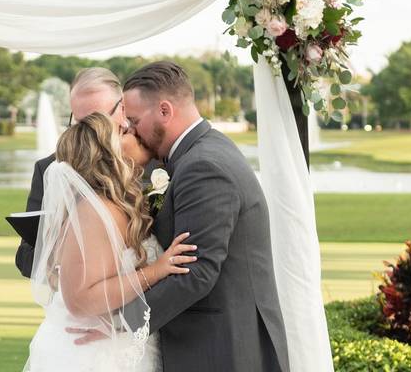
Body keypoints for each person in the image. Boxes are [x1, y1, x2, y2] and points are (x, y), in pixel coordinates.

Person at [115, 61, 290, 372]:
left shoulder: (203, 166)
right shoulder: (198, 153)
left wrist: (119, 323)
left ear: (165, 111)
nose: (131, 130)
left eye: (133, 120)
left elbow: (196, 274)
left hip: (221, 350)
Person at [24, 112, 195, 371]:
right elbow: (80, 299)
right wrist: (156, 270)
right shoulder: (93, 213)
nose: (133, 131)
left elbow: (121, 294)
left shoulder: (115, 204)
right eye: (123, 132)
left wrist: (124, 324)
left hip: (120, 345)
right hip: (93, 356)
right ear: (107, 153)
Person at [15, 67, 155, 278]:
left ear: (122, 108)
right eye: (80, 123)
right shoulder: (51, 168)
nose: (89, 133)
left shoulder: (153, 160)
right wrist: (67, 249)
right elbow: (24, 257)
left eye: (97, 119)